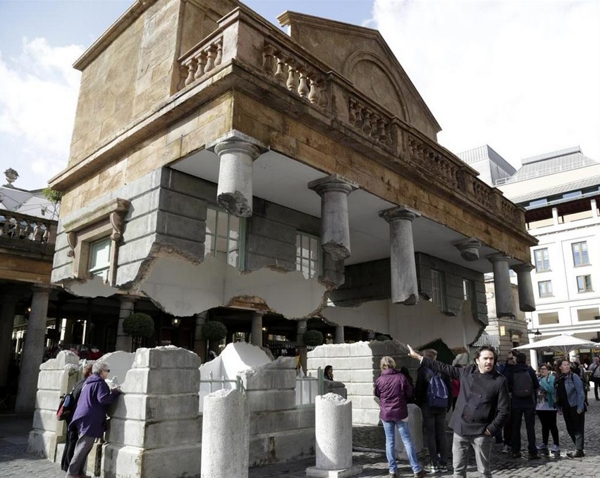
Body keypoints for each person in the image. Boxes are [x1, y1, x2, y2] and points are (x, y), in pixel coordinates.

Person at [407, 344, 509, 478]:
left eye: (491, 359)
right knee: (458, 470)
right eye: (485, 358)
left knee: (484, 471)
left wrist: (491, 429)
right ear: (477, 360)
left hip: (482, 431)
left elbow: (504, 410)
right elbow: (443, 367)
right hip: (461, 428)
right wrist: (419, 357)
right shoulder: (467, 372)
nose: (489, 362)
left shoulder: (499, 380)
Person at [65, 361, 121, 478]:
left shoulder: (88, 382)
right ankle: (72, 473)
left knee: (83, 447)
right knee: (83, 447)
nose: (108, 373)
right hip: (91, 418)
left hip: (82, 416)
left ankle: (79, 473)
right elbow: (103, 399)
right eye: (107, 371)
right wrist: (115, 392)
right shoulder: (100, 383)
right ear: (102, 371)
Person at [374, 356, 426, 478]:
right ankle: (416, 469)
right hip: (400, 412)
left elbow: (376, 393)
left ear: (382, 366)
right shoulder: (401, 377)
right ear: (393, 364)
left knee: (389, 441)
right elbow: (409, 393)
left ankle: (392, 470)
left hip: (386, 413)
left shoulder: (379, 379)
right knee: (407, 440)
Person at [414, 349, 451, 473]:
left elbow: (419, 390)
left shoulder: (423, 371)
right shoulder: (442, 369)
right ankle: (444, 463)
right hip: (442, 405)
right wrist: (448, 405)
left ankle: (434, 463)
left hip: (428, 405)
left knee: (430, 434)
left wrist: (421, 404)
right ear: (435, 358)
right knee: (442, 433)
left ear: (424, 357)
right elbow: (449, 388)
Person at [506, 352, 540, 459]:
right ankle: (533, 451)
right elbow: (536, 385)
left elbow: (507, 386)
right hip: (529, 402)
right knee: (530, 428)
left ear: (516, 360)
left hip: (516, 403)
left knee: (516, 428)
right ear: (525, 360)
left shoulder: (512, 370)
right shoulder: (530, 370)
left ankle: (516, 450)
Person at [61, 363, 93, 472]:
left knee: (69, 440)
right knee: (73, 441)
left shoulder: (79, 382)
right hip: (75, 416)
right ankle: (69, 467)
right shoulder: (86, 385)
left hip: (70, 414)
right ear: (90, 373)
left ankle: (65, 465)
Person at [555, 358, 586, 458]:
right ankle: (579, 448)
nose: (567, 366)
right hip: (566, 407)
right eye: (564, 365)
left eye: (568, 364)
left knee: (578, 429)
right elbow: (557, 394)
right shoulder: (559, 378)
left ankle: (578, 450)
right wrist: (559, 407)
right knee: (570, 428)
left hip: (575, 405)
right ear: (560, 367)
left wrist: (580, 407)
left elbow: (580, 392)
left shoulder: (574, 376)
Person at [536, 363, 559, 456]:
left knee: (552, 426)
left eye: (544, 369)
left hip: (550, 406)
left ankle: (556, 444)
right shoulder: (538, 379)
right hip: (540, 406)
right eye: (541, 369)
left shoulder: (552, 378)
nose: (542, 370)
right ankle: (544, 443)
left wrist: (543, 381)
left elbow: (551, 389)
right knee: (544, 426)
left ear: (548, 370)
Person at [496, 351, 515, 453]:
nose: (510, 360)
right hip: (505, 398)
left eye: (511, 358)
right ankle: (507, 443)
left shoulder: (518, 369)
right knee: (507, 422)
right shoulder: (503, 369)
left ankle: (513, 444)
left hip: (516, 399)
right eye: (509, 358)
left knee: (514, 423)